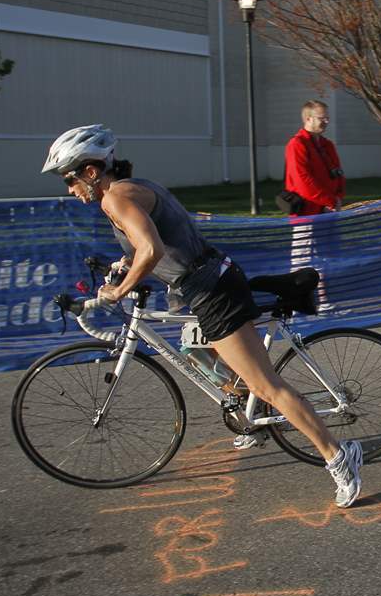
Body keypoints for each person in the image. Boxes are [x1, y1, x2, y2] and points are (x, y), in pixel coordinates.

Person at [44, 125, 364, 508]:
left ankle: (338, 456)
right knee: (192, 349)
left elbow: (151, 249)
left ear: (91, 171)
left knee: (267, 385)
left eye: (70, 179)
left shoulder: (115, 199)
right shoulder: (130, 189)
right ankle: (249, 413)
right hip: (205, 283)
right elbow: (153, 242)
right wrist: (122, 265)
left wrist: (121, 289)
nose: (70, 189)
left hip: (212, 291)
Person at [285, 101, 346, 308]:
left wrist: (338, 197)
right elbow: (303, 181)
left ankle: (323, 301)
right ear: (308, 118)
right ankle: (295, 302)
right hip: (307, 213)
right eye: (322, 118)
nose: (326, 122)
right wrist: (329, 200)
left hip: (328, 212)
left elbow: (338, 173)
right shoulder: (297, 145)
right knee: (303, 259)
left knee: (325, 258)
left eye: (327, 117)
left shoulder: (327, 145)